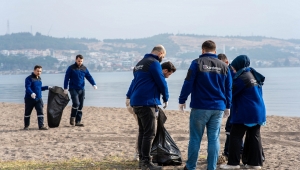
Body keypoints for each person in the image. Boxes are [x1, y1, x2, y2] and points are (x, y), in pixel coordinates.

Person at [179, 40, 232, 170]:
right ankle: (211, 167)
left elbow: (188, 82)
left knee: (195, 138)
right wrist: (228, 106)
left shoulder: (196, 63)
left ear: (203, 50)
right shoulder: (224, 66)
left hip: (200, 107)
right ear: (215, 50)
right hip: (218, 107)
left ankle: (191, 166)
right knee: (214, 138)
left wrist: (182, 100)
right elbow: (228, 88)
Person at [126, 45, 169, 170]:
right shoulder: (154, 63)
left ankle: (142, 161)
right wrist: (166, 98)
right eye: (163, 57)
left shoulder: (139, 64)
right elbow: (161, 82)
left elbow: (135, 82)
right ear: (160, 53)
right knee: (150, 133)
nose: (162, 59)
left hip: (136, 101)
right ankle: (146, 162)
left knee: (142, 131)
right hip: (146, 102)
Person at [220, 55, 266, 169]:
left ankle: (233, 163)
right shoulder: (253, 75)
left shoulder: (241, 78)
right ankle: (255, 163)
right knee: (254, 136)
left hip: (246, 112)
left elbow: (231, 93)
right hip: (258, 111)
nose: (233, 70)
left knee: (235, 135)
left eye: (234, 68)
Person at [217, 53, 244, 158]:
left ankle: (232, 151)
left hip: (233, 104)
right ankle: (230, 150)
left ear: (226, 62)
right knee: (231, 128)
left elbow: (230, 90)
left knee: (232, 128)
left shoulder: (231, 72)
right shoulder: (226, 71)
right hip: (230, 103)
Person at [64, 54, 97, 127]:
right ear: (76, 60)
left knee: (80, 106)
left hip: (81, 89)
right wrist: (65, 88)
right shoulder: (71, 68)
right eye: (79, 61)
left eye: (81, 61)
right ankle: (72, 117)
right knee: (76, 103)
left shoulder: (84, 68)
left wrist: (93, 84)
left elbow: (89, 76)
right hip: (73, 88)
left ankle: (78, 121)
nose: (80, 62)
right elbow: (66, 78)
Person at [24, 65, 50, 130]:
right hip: (29, 99)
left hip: (38, 98)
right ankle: (26, 126)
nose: (39, 72)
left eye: (40, 71)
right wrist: (31, 93)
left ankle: (41, 126)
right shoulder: (29, 78)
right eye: (37, 71)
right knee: (27, 112)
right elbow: (28, 87)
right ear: (34, 70)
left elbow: (39, 88)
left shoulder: (39, 79)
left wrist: (47, 87)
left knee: (40, 112)